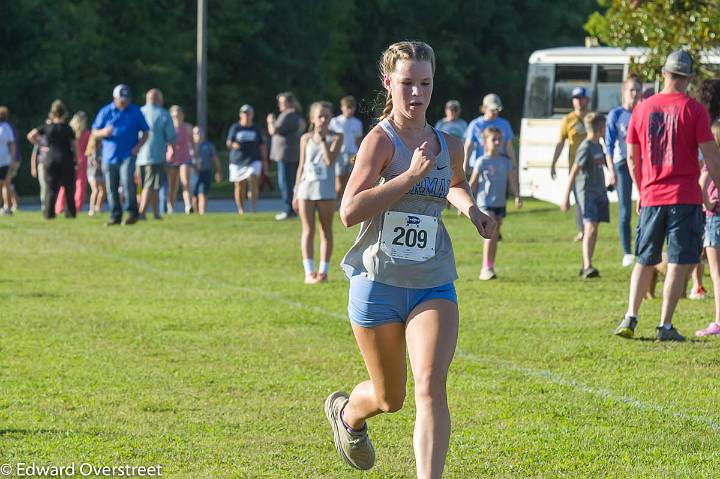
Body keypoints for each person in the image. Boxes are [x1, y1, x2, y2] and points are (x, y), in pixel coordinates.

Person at [324, 41, 495, 478]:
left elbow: (453, 182)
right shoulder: (380, 142)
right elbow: (349, 211)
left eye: (425, 83)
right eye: (407, 83)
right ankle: (348, 416)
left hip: (432, 281)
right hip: (377, 283)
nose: (416, 93)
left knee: (431, 386)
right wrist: (408, 177)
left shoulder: (449, 144)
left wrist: (471, 209)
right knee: (389, 398)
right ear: (388, 83)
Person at [613, 50, 720, 341]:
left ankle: (630, 317)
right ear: (688, 77)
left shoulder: (642, 109)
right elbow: (711, 156)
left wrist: (640, 190)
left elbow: (632, 158)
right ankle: (665, 325)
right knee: (677, 260)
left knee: (644, 258)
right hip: (684, 196)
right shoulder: (695, 110)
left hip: (651, 195)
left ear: (664, 74)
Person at [293, 101, 342, 283]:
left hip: (325, 190)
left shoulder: (337, 137)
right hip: (306, 189)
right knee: (308, 230)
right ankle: (309, 272)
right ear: (313, 118)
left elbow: (329, 161)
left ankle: (323, 271)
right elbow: (302, 165)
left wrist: (322, 141)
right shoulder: (305, 138)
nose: (323, 120)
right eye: (320, 116)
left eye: (327, 116)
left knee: (325, 229)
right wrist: (296, 191)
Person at [550, 87, 605, 241]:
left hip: (593, 166)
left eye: (581, 97)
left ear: (587, 100)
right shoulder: (567, 120)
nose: (578, 101)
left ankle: (590, 227)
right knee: (579, 199)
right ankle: (583, 230)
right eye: (575, 98)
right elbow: (561, 142)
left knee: (592, 198)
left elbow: (603, 138)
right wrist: (553, 163)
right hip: (576, 166)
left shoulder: (593, 118)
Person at [468, 126, 522, 280]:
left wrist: (517, 195)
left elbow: (512, 179)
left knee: (495, 234)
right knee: (490, 233)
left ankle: (490, 265)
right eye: (494, 139)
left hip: (500, 203)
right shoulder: (481, 161)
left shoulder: (505, 162)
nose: (498, 142)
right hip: (484, 203)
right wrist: (466, 203)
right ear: (485, 142)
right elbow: (472, 183)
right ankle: (485, 269)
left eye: (500, 139)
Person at [91, 84, 149, 225]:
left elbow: (146, 132)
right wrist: (103, 132)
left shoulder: (135, 111)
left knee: (127, 182)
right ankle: (115, 215)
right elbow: (94, 132)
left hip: (128, 154)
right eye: (121, 99)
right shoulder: (105, 112)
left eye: (126, 99)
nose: (124, 102)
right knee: (111, 187)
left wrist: (138, 147)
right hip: (109, 156)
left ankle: (132, 213)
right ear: (114, 98)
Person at [561, 113, 609, 279]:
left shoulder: (599, 146)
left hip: (599, 192)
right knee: (589, 227)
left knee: (594, 228)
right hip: (586, 192)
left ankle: (587, 263)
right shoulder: (586, 147)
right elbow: (574, 171)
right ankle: (587, 265)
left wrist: (610, 179)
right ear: (600, 128)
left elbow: (602, 164)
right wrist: (566, 196)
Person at [606, 77, 642, 267]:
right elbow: (609, 145)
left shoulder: (643, 112)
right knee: (625, 210)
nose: (635, 94)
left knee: (646, 207)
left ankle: (643, 248)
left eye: (638, 89)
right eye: (631, 90)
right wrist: (611, 170)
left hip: (642, 163)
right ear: (624, 92)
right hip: (622, 164)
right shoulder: (616, 114)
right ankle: (627, 252)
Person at [27, 100, 77, 219]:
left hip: (50, 159)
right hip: (66, 158)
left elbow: (30, 135)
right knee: (69, 188)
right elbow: (74, 146)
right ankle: (70, 213)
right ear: (64, 113)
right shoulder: (68, 128)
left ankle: (49, 213)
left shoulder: (47, 127)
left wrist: (40, 144)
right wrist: (77, 159)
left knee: (50, 188)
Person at [696, 120, 720, 336]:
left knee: (716, 273)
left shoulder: (711, 163)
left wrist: (707, 203)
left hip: (715, 218)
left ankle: (718, 321)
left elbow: (702, 183)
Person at [138, 89, 175, 220]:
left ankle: (155, 213)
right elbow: (171, 135)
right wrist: (172, 149)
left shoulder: (138, 112)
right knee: (151, 184)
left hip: (138, 156)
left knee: (151, 185)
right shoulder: (163, 114)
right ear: (159, 99)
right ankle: (142, 212)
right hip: (155, 155)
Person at [268, 91, 305, 220]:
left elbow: (273, 131)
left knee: (285, 183)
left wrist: (270, 121)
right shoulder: (295, 116)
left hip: (284, 154)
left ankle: (288, 209)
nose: (279, 104)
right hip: (290, 153)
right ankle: (291, 209)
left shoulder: (287, 115)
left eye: (282, 102)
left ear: (289, 103)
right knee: (289, 182)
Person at [227, 104, 266, 214]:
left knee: (253, 180)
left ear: (252, 115)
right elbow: (229, 142)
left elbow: (262, 145)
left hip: (253, 159)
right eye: (244, 113)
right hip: (237, 160)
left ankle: (253, 208)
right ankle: (241, 210)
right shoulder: (235, 127)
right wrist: (233, 145)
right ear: (240, 115)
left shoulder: (256, 128)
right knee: (239, 185)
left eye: (248, 113)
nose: (246, 115)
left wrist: (264, 160)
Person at [463, 94, 516, 174]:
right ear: (484, 108)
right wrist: (464, 165)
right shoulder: (476, 124)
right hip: (479, 167)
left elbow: (508, 146)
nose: (496, 112)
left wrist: (513, 165)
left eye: (497, 109)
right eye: (493, 109)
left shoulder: (505, 124)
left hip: (500, 166)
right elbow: (468, 146)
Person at [55, 112, 90, 215]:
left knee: (65, 184)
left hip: (69, 158)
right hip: (82, 159)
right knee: (80, 185)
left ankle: (59, 207)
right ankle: (77, 207)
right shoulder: (86, 133)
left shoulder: (69, 131)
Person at [329, 96, 363, 199]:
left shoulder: (357, 123)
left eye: (352, 107)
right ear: (342, 107)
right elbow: (330, 140)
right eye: (348, 107)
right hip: (339, 154)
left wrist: (360, 155)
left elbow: (358, 140)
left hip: (352, 153)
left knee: (350, 180)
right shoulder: (335, 121)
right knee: (339, 180)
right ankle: (337, 201)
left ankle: (346, 200)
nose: (350, 110)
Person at [166, 105, 195, 214]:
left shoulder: (187, 127)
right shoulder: (168, 128)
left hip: (185, 158)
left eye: (178, 115)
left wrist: (196, 157)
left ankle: (188, 205)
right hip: (171, 159)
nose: (177, 117)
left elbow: (193, 144)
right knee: (172, 185)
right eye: (174, 116)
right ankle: (170, 207)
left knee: (185, 182)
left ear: (182, 116)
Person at [192, 126, 221, 215]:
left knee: (203, 193)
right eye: (196, 133)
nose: (198, 135)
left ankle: (202, 213)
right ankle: (196, 213)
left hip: (205, 172)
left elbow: (215, 158)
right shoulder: (190, 146)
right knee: (194, 196)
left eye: (200, 133)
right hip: (192, 173)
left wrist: (218, 171)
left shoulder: (208, 146)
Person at [0, 106, 16, 216]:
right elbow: (12, 144)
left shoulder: (5, 127)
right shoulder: (5, 127)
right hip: (4, 160)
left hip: (4, 160)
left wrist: (12, 159)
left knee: (5, 184)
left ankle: (6, 207)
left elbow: (11, 144)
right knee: (4, 184)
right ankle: (5, 206)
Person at [30, 118, 50, 207]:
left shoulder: (55, 138)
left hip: (53, 164)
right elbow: (34, 155)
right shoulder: (40, 139)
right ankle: (44, 204)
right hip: (42, 164)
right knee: (44, 185)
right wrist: (33, 168)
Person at [85, 132, 105, 216]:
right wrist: (100, 166)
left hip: (100, 173)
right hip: (92, 173)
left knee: (103, 191)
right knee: (95, 190)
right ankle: (91, 209)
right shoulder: (92, 149)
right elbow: (93, 161)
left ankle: (98, 207)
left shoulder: (101, 148)